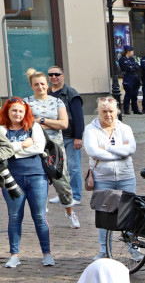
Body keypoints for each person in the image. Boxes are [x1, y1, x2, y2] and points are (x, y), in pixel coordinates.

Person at [1, 97, 53, 268]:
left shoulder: (33, 126)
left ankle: (47, 253)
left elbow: (38, 148)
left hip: (36, 175)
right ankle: (14, 255)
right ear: (7, 111)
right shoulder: (2, 129)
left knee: (39, 216)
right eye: (14, 110)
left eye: (20, 111)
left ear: (26, 113)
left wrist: (11, 149)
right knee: (14, 216)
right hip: (11, 178)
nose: (17, 114)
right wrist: (23, 145)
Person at [84, 96, 136, 260]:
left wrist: (106, 147)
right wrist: (119, 153)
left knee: (128, 212)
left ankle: (133, 248)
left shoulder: (125, 128)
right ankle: (104, 250)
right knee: (104, 214)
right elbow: (93, 151)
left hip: (126, 176)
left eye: (111, 111)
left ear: (117, 111)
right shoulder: (90, 129)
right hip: (102, 176)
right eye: (104, 111)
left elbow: (131, 148)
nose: (108, 114)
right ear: (98, 111)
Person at [26, 69, 77, 228]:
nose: (40, 87)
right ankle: (42, 217)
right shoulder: (26, 102)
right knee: (38, 182)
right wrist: (47, 123)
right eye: (36, 85)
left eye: (42, 84)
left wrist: (40, 120)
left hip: (55, 148)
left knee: (62, 182)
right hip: (35, 146)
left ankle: (70, 212)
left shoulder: (57, 102)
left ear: (47, 85)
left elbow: (63, 124)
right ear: (32, 86)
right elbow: (25, 124)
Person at [47, 66, 85, 205]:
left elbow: (78, 117)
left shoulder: (71, 93)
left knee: (73, 167)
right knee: (59, 167)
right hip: (54, 137)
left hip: (69, 136)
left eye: (57, 74)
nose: (54, 77)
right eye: (51, 75)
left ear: (63, 76)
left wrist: (78, 137)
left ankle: (75, 195)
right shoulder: (48, 93)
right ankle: (63, 194)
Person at [117, 46, 142, 115]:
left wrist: (132, 67)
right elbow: (128, 68)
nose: (133, 53)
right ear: (128, 51)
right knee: (128, 94)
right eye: (132, 51)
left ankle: (135, 109)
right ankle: (126, 109)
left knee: (135, 94)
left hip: (135, 77)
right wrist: (132, 67)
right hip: (128, 78)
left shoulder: (132, 59)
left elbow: (137, 66)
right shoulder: (122, 59)